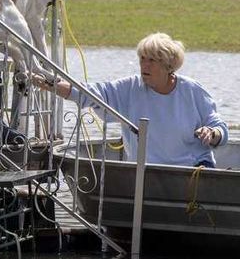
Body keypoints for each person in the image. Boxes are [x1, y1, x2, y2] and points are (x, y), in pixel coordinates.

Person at [33, 32, 228, 168]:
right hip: (146, 175)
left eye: (151, 60)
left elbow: (219, 127)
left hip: (194, 170)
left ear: (168, 65)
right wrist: (49, 84)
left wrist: (212, 133)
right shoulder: (130, 88)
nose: (144, 65)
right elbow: (89, 93)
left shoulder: (192, 90)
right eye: (142, 58)